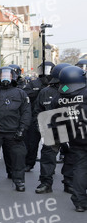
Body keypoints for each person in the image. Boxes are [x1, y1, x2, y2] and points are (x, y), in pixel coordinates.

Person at [51, 66, 87, 211]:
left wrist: (60, 141)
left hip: (75, 139)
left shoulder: (59, 98)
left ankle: (79, 202)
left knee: (80, 169)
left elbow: (54, 122)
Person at [35, 63, 70, 194]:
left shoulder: (71, 90)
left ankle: (69, 183)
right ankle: (46, 183)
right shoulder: (45, 92)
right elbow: (37, 111)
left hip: (70, 129)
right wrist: (40, 127)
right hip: (51, 130)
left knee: (71, 158)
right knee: (48, 158)